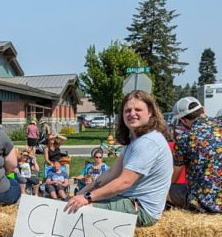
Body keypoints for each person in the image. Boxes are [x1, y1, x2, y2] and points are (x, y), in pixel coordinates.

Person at [65, 90, 173, 227]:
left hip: (142, 209)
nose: (132, 114)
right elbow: (112, 173)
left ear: (150, 112)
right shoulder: (135, 139)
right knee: (74, 203)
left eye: (138, 109)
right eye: (127, 110)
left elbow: (124, 182)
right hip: (128, 199)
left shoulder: (148, 142)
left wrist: (87, 197)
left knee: (80, 211)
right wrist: (82, 192)